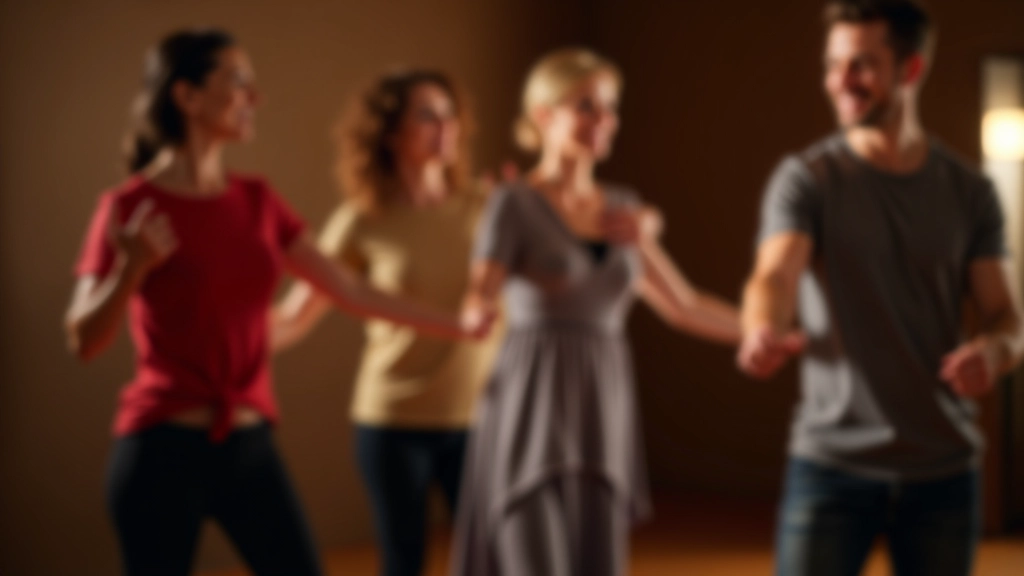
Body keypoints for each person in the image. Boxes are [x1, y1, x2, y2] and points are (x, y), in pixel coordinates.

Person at [64, 30, 489, 576]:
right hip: (161, 451)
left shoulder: (257, 201)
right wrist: (130, 270)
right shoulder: (127, 207)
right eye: (237, 81)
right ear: (187, 97)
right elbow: (83, 339)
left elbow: (350, 290)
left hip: (249, 445)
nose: (254, 97)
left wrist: (460, 325)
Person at [736, 2, 1024, 575]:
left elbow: (1006, 319)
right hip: (830, 466)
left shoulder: (970, 193)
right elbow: (773, 275)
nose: (840, 82)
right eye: (833, 64)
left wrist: (992, 353)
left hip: (942, 471)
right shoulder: (808, 179)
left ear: (910, 70)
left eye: (861, 65)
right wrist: (762, 327)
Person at [451, 47, 741, 576]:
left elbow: (684, 304)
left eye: (610, 106)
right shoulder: (513, 202)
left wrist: (768, 330)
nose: (604, 119)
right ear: (544, 115)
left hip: (601, 412)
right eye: (587, 105)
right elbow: (480, 291)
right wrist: (476, 313)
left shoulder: (624, 209)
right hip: (529, 407)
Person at [272, 69, 504, 576]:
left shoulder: (489, 206)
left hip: (482, 419)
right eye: (426, 114)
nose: (444, 125)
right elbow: (295, 317)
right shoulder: (361, 220)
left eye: (449, 114)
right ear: (390, 132)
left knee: (495, 560)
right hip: (393, 421)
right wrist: (223, 336)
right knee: (404, 560)